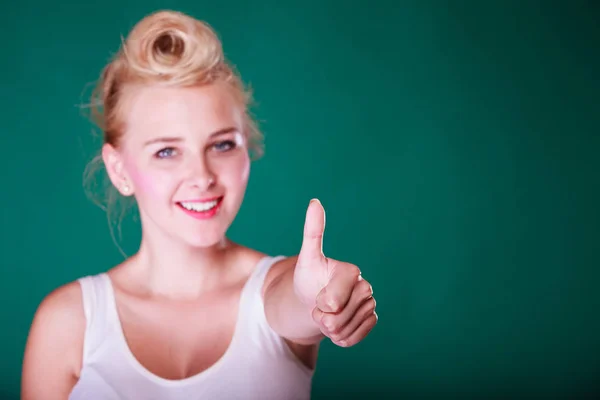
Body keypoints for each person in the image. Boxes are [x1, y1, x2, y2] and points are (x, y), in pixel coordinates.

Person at [21, 9, 377, 400]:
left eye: (222, 145)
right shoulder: (67, 323)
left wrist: (318, 301)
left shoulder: (278, 287)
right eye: (167, 151)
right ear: (119, 170)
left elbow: (294, 300)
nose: (202, 176)